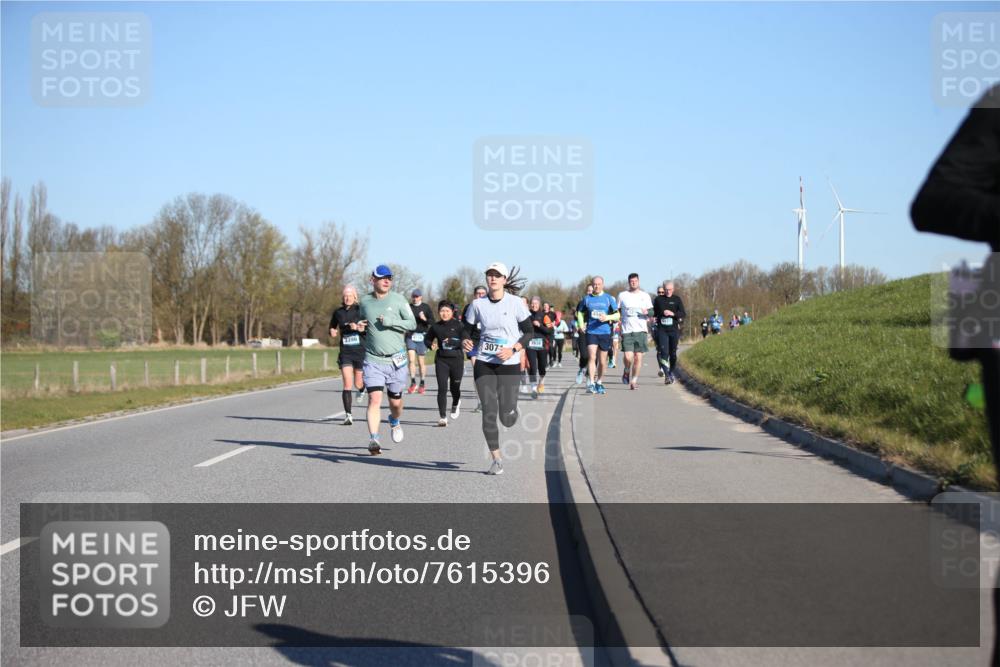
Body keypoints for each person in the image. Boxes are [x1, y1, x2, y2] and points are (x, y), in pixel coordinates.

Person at [462, 263, 532, 475]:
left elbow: (529, 333)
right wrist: (465, 340)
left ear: (504, 280)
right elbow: (466, 329)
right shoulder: (477, 305)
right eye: (489, 275)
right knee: (488, 410)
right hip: (484, 362)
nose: (492, 279)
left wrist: (513, 349)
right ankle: (497, 459)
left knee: (506, 417)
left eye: (497, 276)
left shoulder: (516, 303)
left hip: (509, 364)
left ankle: (511, 410)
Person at [357, 264, 417, 455]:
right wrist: (360, 327)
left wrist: (392, 322)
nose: (386, 281)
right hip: (373, 360)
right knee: (374, 399)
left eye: (389, 278)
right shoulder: (365, 301)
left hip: (396, 361)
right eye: (382, 277)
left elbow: (412, 323)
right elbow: (362, 323)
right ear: (372, 279)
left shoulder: (399, 300)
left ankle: (394, 419)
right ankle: (374, 439)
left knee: (395, 403)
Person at [424, 301, 471, 427]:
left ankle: (456, 403)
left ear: (452, 312)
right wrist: (431, 344)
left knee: (454, 388)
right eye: (442, 311)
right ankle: (443, 417)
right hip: (441, 360)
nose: (444, 314)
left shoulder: (459, 325)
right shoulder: (436, 326)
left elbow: (465, 338)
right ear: (439, 312)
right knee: (442, 388)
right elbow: (427, 339)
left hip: (457, 360)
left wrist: (459, 342)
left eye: (447, 311)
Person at [328, 285, 366, 425]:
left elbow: (367, 329)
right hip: (346, 352)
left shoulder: (361, 310)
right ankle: (348, 415)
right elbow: (332, 326)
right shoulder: (338, 312)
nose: (347, 298)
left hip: (360, 350)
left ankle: (362, 388)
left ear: (355, 297)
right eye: (345, 296)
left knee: (358, 382)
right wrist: (332, 331)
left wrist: (358, 328)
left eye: (350, 295)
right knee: (347, 384)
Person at [577, 276, 619, 394]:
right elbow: (579, 312)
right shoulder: (587, 299)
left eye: (599, 284)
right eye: (595, 284)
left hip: (605, 332)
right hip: (591, 332)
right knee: (592, 357)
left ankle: (599, 382)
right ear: (592, 285)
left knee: (602, 361)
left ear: (603, 285)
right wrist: (581, 325)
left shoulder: (608, 299)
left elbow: (617, 315)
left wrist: (607, 317)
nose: (596, 286)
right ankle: (591, 382)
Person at [617, 272, 654, 390]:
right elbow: (616, 311)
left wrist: (647, 312)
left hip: (641, 330)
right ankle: (627, 370)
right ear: (629, 282)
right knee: (628, 357)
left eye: (635, 281)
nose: (633, 283)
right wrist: (617, 320)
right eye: (631, 281)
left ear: (638, 282)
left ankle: (634, 381)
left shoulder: (645, 295)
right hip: (627, 330)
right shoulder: (622, 295)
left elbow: (653, 312)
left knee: (638, 357)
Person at [653, 280, 686, 384]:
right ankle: (666, 376)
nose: (668, 292)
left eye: (670, 290)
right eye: (666, 290)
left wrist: (673, 314)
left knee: (673, 354)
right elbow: (654, 313)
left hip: (673, 330)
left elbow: (683, 314)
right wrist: (652, 316)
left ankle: (671, 372)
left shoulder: (677, 299)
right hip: (662, 330)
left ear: (673, 289)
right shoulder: (658, 300)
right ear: (663, 288)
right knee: (664, 353)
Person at [463, 285, 487, 412]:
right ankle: (480, 401)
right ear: (474, 295)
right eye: (478, 293)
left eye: (483, 293)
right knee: (478, 372)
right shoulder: (469, 308)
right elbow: (464, 327)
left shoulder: (491, 306)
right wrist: (465, 340)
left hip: (488, 342)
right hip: (473, 342)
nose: (481, 295)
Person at [406, 289, 434, 395]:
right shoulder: (408, 307)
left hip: (422, 337)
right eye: (413, 296)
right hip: (410, 336)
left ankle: (422, 383)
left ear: (421, 297)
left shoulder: (426, 307)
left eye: (417, 296)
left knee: (421, 362)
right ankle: (413, 382)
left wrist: (424, 318)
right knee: (411, 360)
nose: (415, 298)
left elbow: (432, 322)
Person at [526, 296, 553, 398]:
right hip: (530, 344)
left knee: (542, 366)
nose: (534, 305)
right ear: (530, 304)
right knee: (532, 366)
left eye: (536, 303)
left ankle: (541, 381)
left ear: (539, 305)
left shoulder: (544, 316)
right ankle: (533, 388)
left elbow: (549, 330)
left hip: (542, 344)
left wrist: (539, 325)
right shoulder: (526, 315)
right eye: (532, 303)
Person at [575, 284, 594, 384]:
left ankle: (589, 376)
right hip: (583, 331)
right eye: (588, 291)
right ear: (586, 292)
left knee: (593, 356)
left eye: (592, 290)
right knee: (584, 355)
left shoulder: (598, 303)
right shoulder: (582, 303)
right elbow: (576, 317)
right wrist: (579, 326)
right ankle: (582, 369)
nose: (590, 292)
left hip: (594, 331)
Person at [652, 285, 666, 375]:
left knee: (667, 350)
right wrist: (652, 317)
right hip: (657, 327)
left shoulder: (668, 301)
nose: (660, 294)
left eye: (662, 292)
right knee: (659, 350)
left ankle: (666, 367)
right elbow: (651, 313)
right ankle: (661, 368)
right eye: (659, 292)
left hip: (667, 328)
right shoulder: (654, 302)